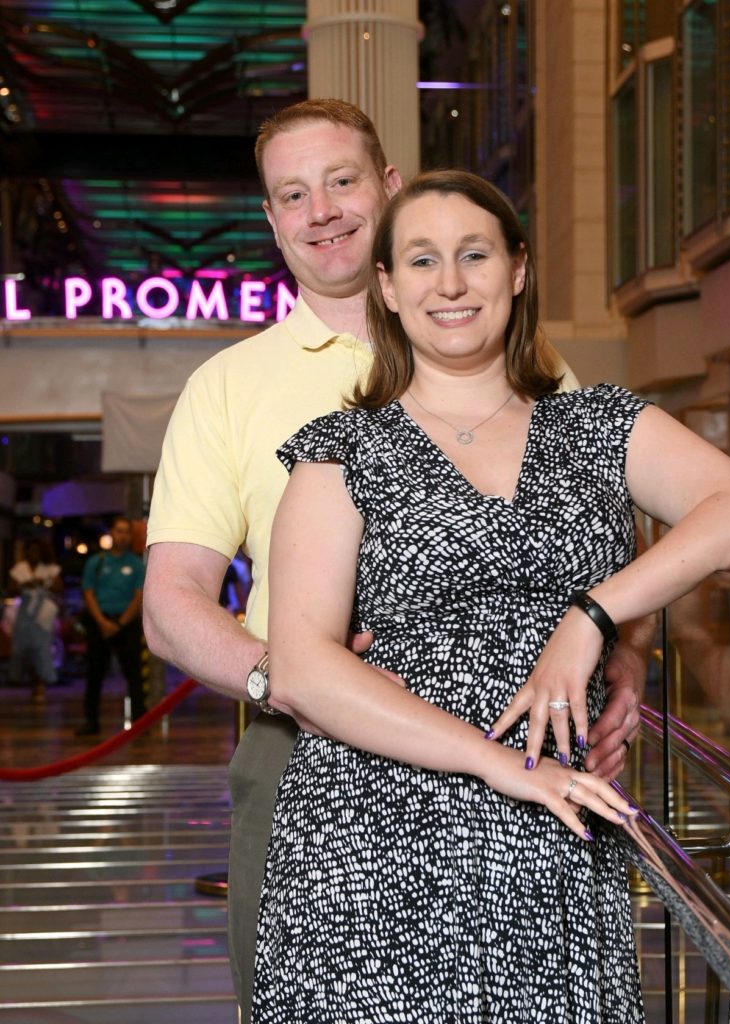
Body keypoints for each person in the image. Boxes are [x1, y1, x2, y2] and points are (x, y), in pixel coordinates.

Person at [143, 99, 649, 1022]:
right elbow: (171, 603)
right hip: (308, 759)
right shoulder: (226, 387)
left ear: (388, 186)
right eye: (292, 195)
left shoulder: (520, 358)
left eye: (341, 181)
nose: (321, 210)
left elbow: (608, 534)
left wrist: (626, 651)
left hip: (519, 748)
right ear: (271, 219)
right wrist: (288, 679)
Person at [253, 169, 730, 1022]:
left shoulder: (599, 424)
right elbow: (302, 670)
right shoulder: (339, 451)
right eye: (421, 262)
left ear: (518, 269)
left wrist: (593, 619)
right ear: (387, 289)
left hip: (551, 836)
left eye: (474, 254)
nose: (452, 283)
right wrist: (498, 763)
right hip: (372, 837)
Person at [76, 516, 146, 736]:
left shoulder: (136, 564)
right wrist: (102, 622)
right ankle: (91, 722)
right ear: (111, 533)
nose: (122, 536)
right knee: (94, 674)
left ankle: (140, 723)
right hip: (100, 623)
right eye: (119, 531)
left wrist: (120, 623)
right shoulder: (96, 562)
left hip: (126, 624)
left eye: (127, 532)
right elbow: (88, 592)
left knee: (134, 675)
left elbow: (139, 595)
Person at [7, 538, 63, 703]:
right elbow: (11, 588)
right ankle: (22, 678)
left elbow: (59, 588)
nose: (33, 555)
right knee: (21, 648)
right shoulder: (20, 568)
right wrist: (24, 585)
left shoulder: (50, 569)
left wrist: (44, 583)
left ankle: (41, 683)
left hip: (43, 615)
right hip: (25, 614)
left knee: (41, 649)